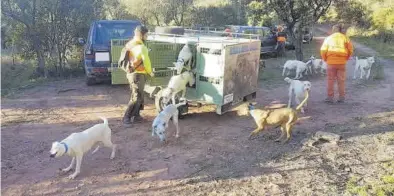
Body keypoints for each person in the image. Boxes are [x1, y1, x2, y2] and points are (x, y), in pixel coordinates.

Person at [122, 25, 153, 126]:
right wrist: (150, 72)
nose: (147, 37)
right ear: (141, 35)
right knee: (136, 96)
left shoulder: (130, 44)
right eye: (146, 35)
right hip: (138, 74)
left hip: (131, 72)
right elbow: (146, 62)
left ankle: (137, 116)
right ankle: (126, 118)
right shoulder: (141, 47)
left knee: (139, 95)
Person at [320, 24, 353, 103]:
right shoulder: (345, 38)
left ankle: (330, 98)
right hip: (342, 63)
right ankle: (341, 97)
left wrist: (325, 59)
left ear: (333, 30)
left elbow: (323, 50)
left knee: (330, 80)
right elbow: (350, 50)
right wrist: (346, 58)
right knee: (341, 81)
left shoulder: (328, 38)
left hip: (331, 62)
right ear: (340, 30)